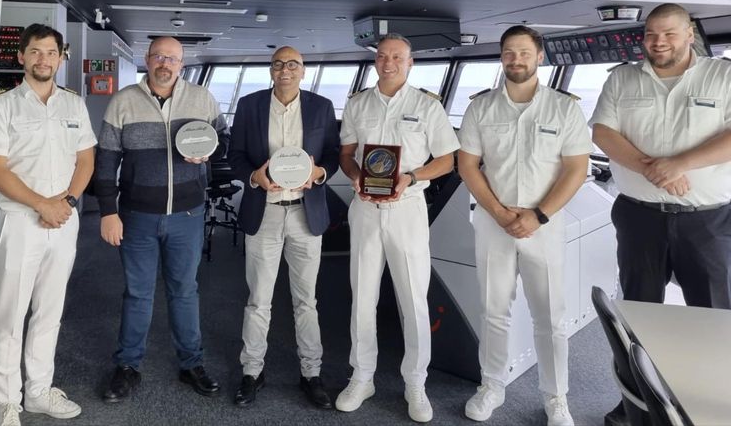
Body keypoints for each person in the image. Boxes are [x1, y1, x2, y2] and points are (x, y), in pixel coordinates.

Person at [457, 25, 591, 426]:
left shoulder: (564, 108)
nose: (516, 60)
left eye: (524, 53)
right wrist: (499, 213)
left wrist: (537, 215)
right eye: (509, 53)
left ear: (540, 56)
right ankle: (491, 386)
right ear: (501, 57)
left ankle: (556, 397)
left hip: (543, 223)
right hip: (492, 220)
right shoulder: (481, 106)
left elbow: (576, 168)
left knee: (550, 315)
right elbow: (468, 165)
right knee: (493, 310)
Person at [0, 23, 96, 426]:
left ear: (61, 58)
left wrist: (68, 203)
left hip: (63, 219)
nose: (44, 59)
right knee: (10, 313)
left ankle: (39, 391)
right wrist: (42, 204)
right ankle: (6, 400)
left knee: (50, 310)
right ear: (21, 57)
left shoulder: (74, 105)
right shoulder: (3, 105)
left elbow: (85, 160)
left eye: (51, 52)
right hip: (19, 220)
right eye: (36, 52)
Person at [95, 36, 229, 403]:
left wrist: (209, 155)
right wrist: (108, 211)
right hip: (136, 215)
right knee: (137, 293)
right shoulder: (123, 101)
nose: (165, 63)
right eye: (158, 56)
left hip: (187, 214)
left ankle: (191, 364)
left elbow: (223, 139)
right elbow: (105, 161)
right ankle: (127, 366)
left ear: (181, 63)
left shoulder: (201, 99)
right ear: (147, 59)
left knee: (184, 292)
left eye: (172, 58)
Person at [336, 33, 459, 423]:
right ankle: (363, 376)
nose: (389, 63)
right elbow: (345, 155)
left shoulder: (427, 106)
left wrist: (410, 176)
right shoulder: (358, 103)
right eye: (383, 56)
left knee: (413, 299)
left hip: (407, 207)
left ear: (410, 63)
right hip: (366, 207)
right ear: (375, 62)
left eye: (397, 57)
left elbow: (447, 160)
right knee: (363, 296)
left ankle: (416, 382)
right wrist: (356, 176)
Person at [591, 2, 731, 310]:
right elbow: (603, 133)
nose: (659, 41)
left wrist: (680, 165)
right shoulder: (621, 79)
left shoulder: (724, 75)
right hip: (639, 216)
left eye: (669, 32)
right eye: (651, 34)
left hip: (707, 221)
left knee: (715, 312)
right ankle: (637, 361)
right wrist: (654, 170)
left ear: (689, 34)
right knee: (639, 310)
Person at [226, 46, 340, 409]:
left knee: (307, 301)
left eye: (293, 64)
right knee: (259, 299)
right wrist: (255, 177)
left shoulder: (321, 106)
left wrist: (320, 172)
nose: (285, 70)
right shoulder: (250, 105)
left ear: (303, 71)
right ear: (271, 70)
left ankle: (311, 374)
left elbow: (334, 155)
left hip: (306, 215)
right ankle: (252, 371)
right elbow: (235, 155)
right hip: (266, 212)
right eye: (278, 64)